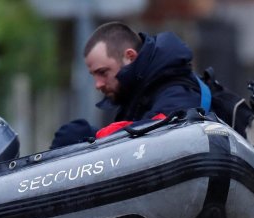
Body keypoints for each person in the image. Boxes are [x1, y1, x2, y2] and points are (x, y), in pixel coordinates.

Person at [51, 21, 203, 148]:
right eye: (94, 75)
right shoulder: (136, 94)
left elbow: (163, 130)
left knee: (73, 134)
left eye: (103, 72)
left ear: (129, 57)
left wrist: (90, 137)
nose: (97, 84)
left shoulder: (175, 87)